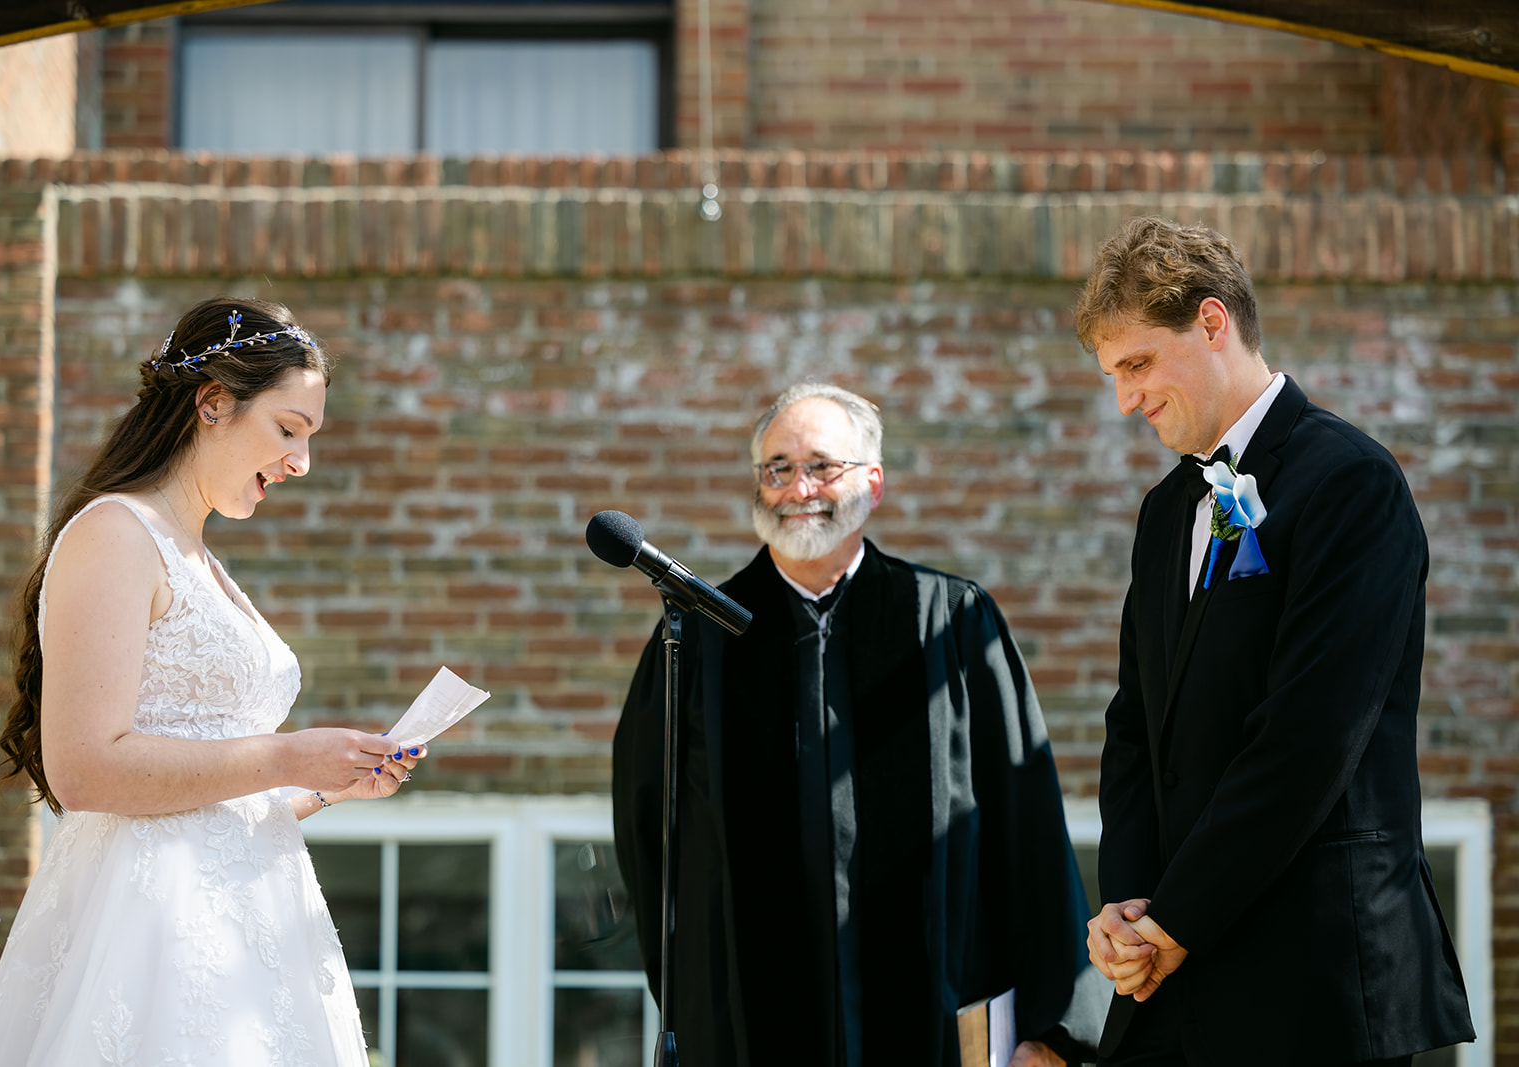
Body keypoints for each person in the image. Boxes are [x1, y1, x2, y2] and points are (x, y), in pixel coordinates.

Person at [611, 382, 1105, 1067]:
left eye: (821, 465)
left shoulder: (951, 623)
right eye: (777, 467)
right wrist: (696, 1004)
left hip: (936, 1026)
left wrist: (1052, 1029)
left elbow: (1031, 830)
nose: (797, 486)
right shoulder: (699, 640)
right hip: (746, 1032)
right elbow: (648, 844)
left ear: (873, 483)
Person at [1077, 217, 1474, 1066]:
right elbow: (1134, 727)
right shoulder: (1163, 514)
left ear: (1213, 322)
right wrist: (1128, 902)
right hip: (1175, 982)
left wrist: (1174, 919)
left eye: (1138, 364)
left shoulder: (1352, 484)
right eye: (1113, 376)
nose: (1126, 400)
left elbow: (1310, 737)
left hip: (1313, 986)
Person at [0, 298, 424, 1066]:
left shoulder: (202, 561)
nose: (301, 463)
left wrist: (327, 786)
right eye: (289, 430)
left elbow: (206, 800)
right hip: (150, 939)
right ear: (213, 402)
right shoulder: (116, 534)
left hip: (253, 938)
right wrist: (288, 756)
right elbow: (85, 768)